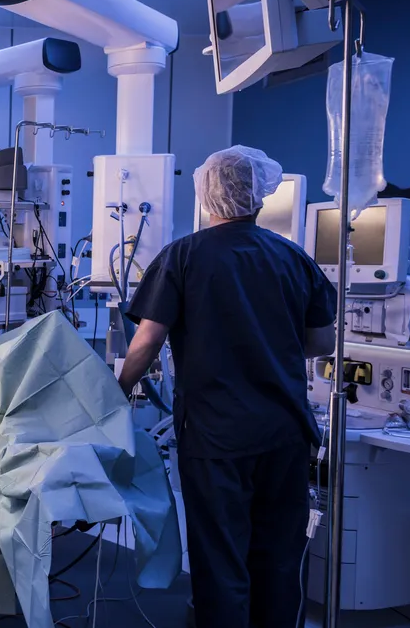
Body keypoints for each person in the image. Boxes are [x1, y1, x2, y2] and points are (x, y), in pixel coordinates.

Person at [116, 146, 337, 628]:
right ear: (259, 196)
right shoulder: (294, 259)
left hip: (217, 438)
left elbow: (147, 341)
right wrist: (263, 343)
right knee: (279, 560)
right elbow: (320, 342)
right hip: (285, 435)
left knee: (221, 560)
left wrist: (115, 391)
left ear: (206, 195)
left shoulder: (184, 256)